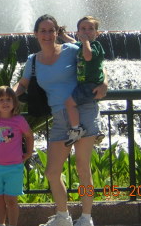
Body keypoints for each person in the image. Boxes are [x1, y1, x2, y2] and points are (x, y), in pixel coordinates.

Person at [13, 14, 107, 226]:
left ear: (57, 33)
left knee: (83, 168)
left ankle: (86, 217)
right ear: (36, 34)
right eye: (43, 31)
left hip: (83, 111)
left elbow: (97, 65)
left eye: (51, 30)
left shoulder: (71, 50)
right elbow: (24, 83)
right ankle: (63, 216)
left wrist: (105, 84)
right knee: (52, 172)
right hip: (59, 118)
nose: (47, 35)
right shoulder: (33, 60)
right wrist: (6, 95)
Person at [0, 86, 34, 226]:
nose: (5, 103)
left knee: (12, 200)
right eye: (1, 100)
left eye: (8, 99)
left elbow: (29, 136)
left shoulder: (19, 120)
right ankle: (0, 224)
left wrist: (29, 152)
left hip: (14, 167)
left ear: (14, 102)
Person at [59, 16, 106, 147]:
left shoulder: (95, 45)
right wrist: (62, 35)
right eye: (83, 29)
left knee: (69, 103)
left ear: (97, 33)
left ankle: (77, 129)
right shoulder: (81, 44)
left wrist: (85, 42)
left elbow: (88, 56)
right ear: (78, 32)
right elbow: (73, 41)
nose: (86, 31)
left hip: (89, 85)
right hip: (83, 85)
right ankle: (95, 131)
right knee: (85, 106)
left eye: (91, 29)